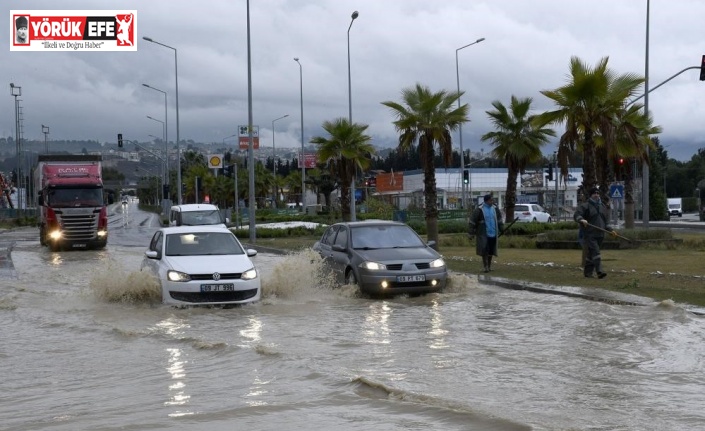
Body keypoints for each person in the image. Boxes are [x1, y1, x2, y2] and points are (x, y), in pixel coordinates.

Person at [574, 187, 617, 278]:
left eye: (597, 193)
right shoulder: (585, 206)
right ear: (590, 195)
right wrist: (582, 220)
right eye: (594, 193)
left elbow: (606, 222)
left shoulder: (603, 207)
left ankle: (588, 273)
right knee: (596, 252)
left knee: (591, 254)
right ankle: (600, 271)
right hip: (590, 234)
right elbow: (577, 215)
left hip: (600, 235)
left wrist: (611, 230)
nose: (596, 195)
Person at [469, 194, 504, 273]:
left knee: (491, 251)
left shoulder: (495, 209)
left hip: (493, 233)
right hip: (483, 234)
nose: (492, 201)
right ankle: (485, 267)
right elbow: (472, 222)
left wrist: (502, 229)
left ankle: (489, 266)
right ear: (487, 201)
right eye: (491, 200)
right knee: (485, 251)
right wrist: (471, 233)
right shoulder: (479, 210)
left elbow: (499, 220)